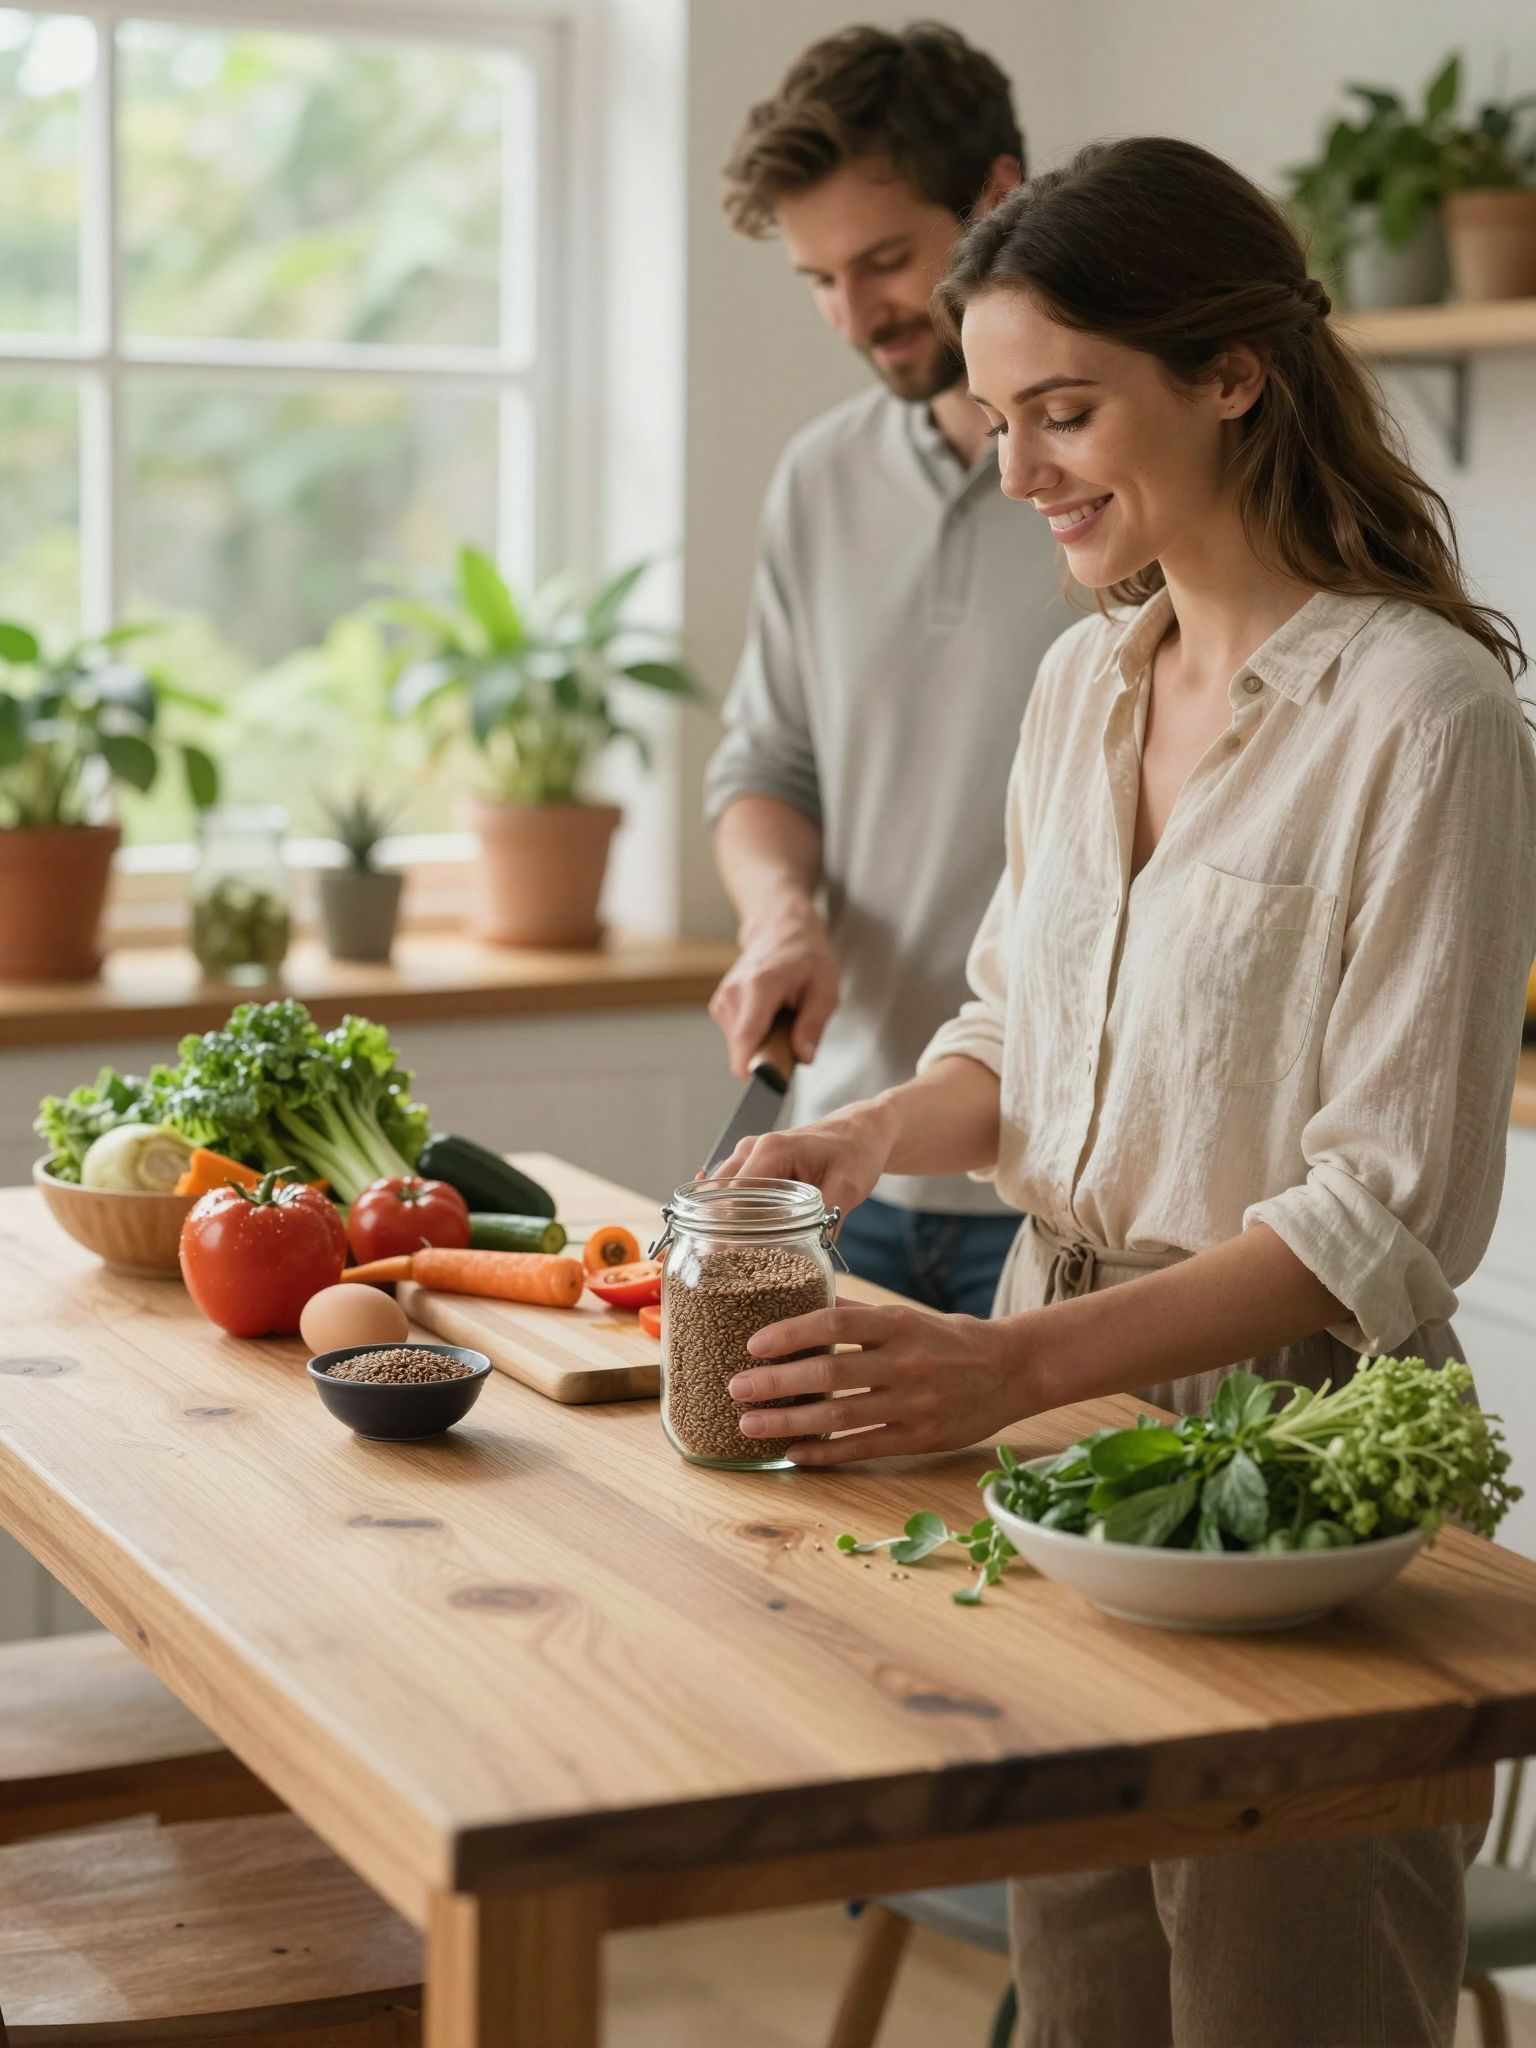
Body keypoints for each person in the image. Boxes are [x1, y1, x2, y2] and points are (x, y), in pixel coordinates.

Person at [718, 136, 1536, 2048]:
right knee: (1084, 1983)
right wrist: (859, 1137)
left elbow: (1384, 1213)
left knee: (1287, 1999)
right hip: (1051, 1391)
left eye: (1066, 412)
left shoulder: (1426, 719)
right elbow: (1014, 1036)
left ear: (1231, 373)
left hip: (1294, 1437)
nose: (1020, 473)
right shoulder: (1086, 691)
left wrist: (1007, 1375)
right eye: (1002, 420)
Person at [705, 23, 1077, 1317]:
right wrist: (782, 915)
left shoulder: (1112, 489)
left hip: (1061, 1184)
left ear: (998, 198)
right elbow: (767, 761)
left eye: (884, 262)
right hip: (840, 1162)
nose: (856, 317)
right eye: (818, 278)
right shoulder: (820, 477)